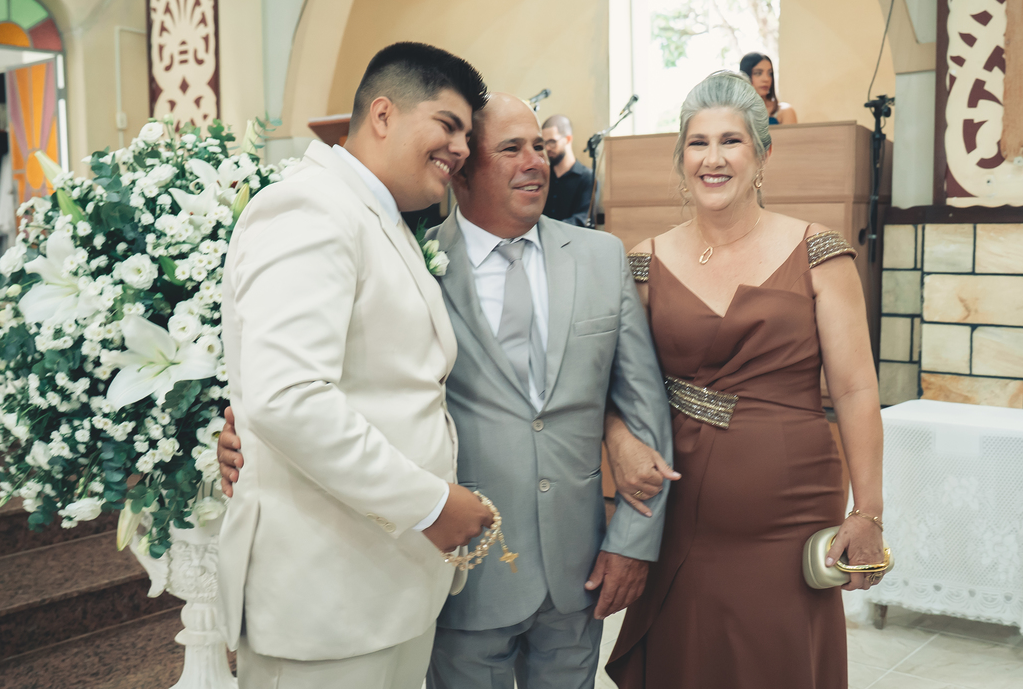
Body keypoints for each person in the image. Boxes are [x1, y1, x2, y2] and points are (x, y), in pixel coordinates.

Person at [218, 92, 677, 689]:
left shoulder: (600, 257)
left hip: (577, 564)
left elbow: (642, 402)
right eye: (510, 149)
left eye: (539, 146)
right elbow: (339, 382)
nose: (534, 162)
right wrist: (244, 434)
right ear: (462, 171)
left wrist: (634, 540)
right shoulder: (414, 261)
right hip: (458, 564)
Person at [216, 42, 495, 689]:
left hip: (382, 585)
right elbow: (287, 397)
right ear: (383, 114)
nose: (461, 149)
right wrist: (430, 505)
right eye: (448, 125)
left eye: (467, 135)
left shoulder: (379, 216)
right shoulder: (311, 208)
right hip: (325, 599)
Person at [605, 71, 884, 689]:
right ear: (680, 159)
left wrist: (869, 512)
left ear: (762, 155)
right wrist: (619, 440)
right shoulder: (644, 262)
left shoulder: (819, 253)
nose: (713, 159)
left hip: (789, 514)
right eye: (697, 143)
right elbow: (612, 387)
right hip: (679, 509)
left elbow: (856, 390)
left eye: (730, 141)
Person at [541, 114, 594, 226]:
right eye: (544, 143)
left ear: (568, 139)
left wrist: (551, 229)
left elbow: (581, 218)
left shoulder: (587, 177)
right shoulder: (543, 175)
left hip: (572, 236)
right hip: (542, 236)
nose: (547, 148)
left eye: (552, 141)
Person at [739, 52, 796, 125]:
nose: (766, 79)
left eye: (770, 73)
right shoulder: (734, 111)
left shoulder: (784, 111)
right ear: (745, 76)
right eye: (758, 73)